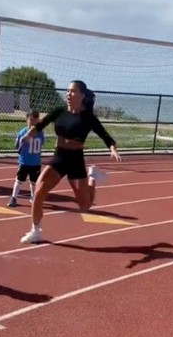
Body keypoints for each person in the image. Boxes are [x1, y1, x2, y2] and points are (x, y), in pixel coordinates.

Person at [19, 80, 121, 244]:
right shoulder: (59, 111)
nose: (68, 94)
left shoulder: (88, 118)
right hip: (59, 157)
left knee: (85, 207)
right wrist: (27, 136)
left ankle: (92, 178)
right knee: (38, 192)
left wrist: (112, 148)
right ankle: (35, 231)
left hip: (75, 160)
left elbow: (105, 136)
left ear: (81, 95)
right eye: (67, 91)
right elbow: (40, 125)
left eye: (73, 91)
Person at [8, 111, 45, 207]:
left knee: (34, 182)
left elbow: (40, 145)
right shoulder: (22, 133)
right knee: (19, 180)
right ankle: (14, 197)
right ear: (27, 120)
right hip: (24, 161)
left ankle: (33, 197)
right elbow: (17, 147)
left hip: (35, 162)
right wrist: (22, 141)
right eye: (31, 120)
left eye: (35, 120)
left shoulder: (40, 133)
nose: (33, 122)